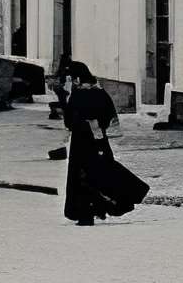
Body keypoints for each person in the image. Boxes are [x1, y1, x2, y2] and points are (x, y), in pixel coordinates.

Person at [59, 61, 147, 227]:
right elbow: (107, 117)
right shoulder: (100, 93)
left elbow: (69, 121)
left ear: (76, 79)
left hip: (82, 141)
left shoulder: (78, 95)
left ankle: (86, 213)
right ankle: (101, 207)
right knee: (100, 171)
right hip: (98, 141)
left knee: (83, 176)